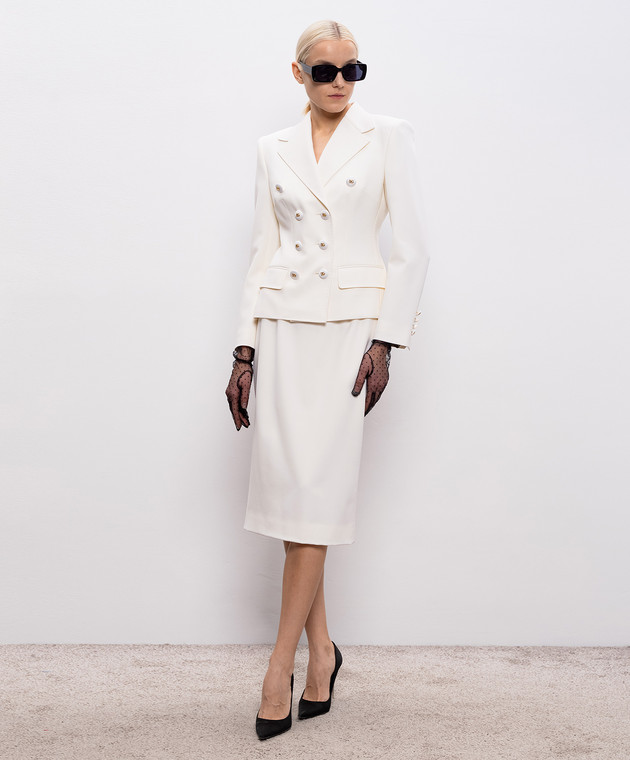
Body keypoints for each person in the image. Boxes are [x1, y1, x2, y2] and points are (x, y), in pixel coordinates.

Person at [225, 19, 430, 740]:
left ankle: (277, 665)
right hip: (283, 328)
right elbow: (262, 251)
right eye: (326, 71)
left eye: (353, 70)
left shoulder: (388, 136)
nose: (341, 82)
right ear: (299, 74)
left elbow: (412, 249)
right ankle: (322, 654)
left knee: (314, 492)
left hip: (349, 333)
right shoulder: (272, 148)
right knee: (294, 496)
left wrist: (387, 341)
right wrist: (243, 350)